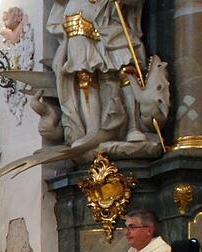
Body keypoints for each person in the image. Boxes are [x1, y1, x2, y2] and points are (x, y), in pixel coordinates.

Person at [47, 0, 146, 147]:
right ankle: (92, 131)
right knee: (85, 74)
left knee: (126, 67)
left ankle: (133, 126)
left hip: (109, 19)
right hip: (78, 16)